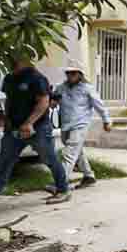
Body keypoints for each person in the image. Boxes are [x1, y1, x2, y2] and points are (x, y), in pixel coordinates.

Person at [0, 55, 71, 211]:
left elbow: (44, 102)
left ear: (25, 59)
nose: (9, 62)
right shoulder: (9, 79)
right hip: (14, 129)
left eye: (12, 59)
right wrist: (8, 122)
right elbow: (9, 101)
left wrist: (29, 123)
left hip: (37, 128)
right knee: (3, 162)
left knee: (49, 158)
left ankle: (63, 189)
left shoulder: (37, 78)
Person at [48, 61, 111, 192]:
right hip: (66, 125)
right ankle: (89, 176)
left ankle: (60, 184)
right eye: (68, 73)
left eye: (73, 73)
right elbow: (53, 103)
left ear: (80, 74)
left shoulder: (87, 88)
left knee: (69, 153)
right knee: (77, 151)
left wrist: (106, 121)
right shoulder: (61, 87)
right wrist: (51, 100)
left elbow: (99, 105)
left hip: (80, 125)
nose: (70, 75)